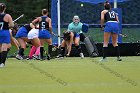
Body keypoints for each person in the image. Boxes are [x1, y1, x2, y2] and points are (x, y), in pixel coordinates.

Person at [0, 3, 14, 67]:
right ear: (4, 8)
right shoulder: (7, 16)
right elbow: (12, 25)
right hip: (4, 32)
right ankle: (2, 63)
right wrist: (8, 25)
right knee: (4, 48)